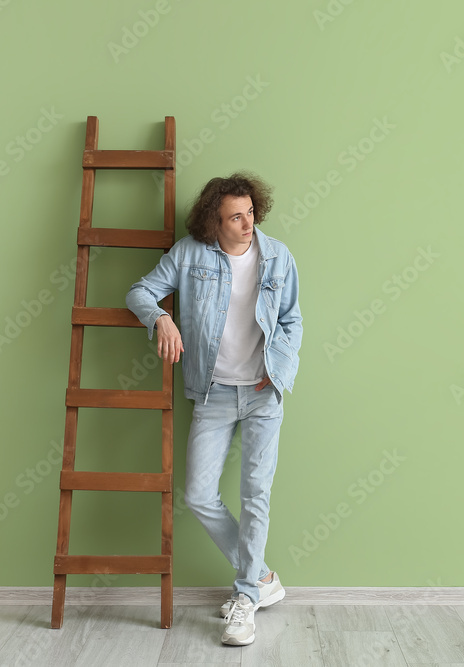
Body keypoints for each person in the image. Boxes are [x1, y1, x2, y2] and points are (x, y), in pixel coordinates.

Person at [126, 171, 302, 646]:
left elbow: (291, 319)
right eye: (235, 217)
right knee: (199, 494)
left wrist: (280, 368)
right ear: (213, 222)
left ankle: (245, 598)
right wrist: (161, 318)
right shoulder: (189, 254)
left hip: (264, 392)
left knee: (255, 495)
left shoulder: (278, 256)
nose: (248, 224)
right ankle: (263, 578)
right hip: (213, 393)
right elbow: (138, 292)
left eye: (250, 213)